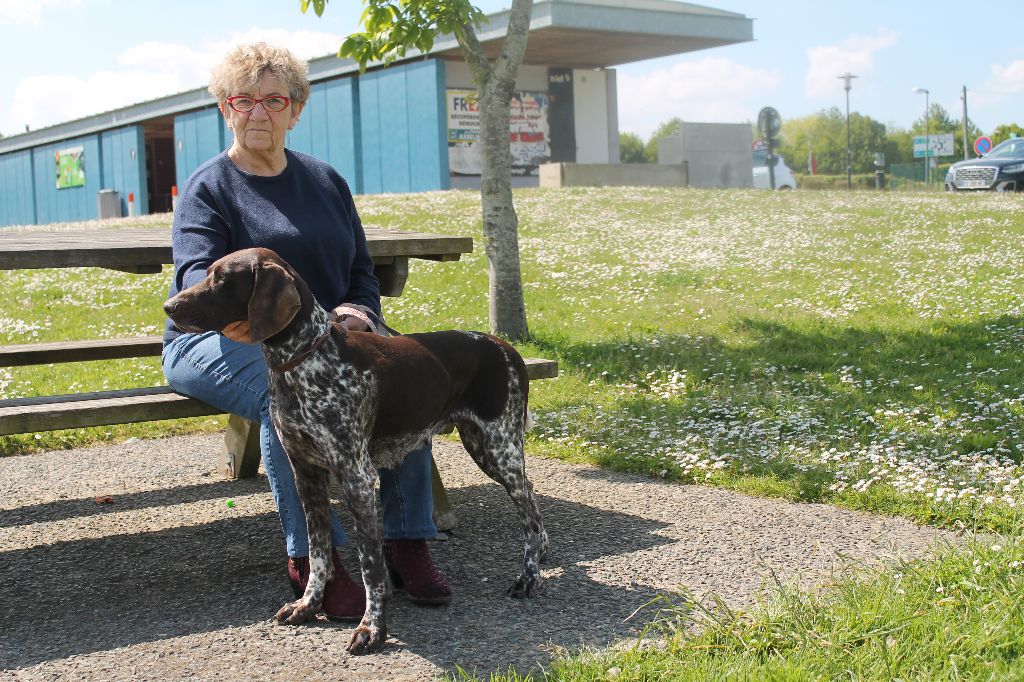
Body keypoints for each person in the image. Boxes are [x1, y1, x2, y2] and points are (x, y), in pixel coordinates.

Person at [161, 42, 451, 620]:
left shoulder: (325, 181)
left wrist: (360, 313)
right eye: (244, 100)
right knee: (284, 399)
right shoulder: (209, 186)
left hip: (327, 336)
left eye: (274, 100)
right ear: (226, 109)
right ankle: (317, 558)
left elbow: (362, 272)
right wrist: (247, 323)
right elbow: (198, 279)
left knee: (400, 383)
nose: (259, 113)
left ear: (296, 108)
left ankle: (407, 540)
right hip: (220, 339)